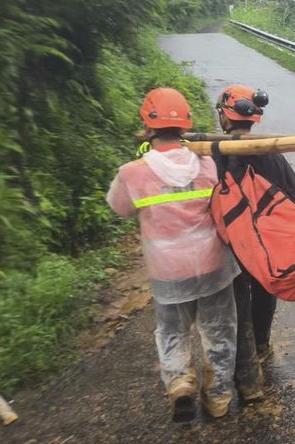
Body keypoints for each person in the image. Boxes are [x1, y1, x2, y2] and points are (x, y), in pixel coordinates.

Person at [107, 88, 239, 422]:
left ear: (147, 125)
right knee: (219, 330)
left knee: (172, 331)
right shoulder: (207, 164)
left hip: (167, 271)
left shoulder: (132, 172)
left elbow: (120, 209)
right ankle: (219, 397)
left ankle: (180, 381)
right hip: (212, 263)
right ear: (185, 125)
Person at [213, 84, 295, 400]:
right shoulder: (270, 152)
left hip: (235, 241)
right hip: (267, 241)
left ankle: (243, 364)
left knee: (237, 293)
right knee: (264, 287)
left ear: (224, 117)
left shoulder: (214, 153)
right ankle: (261, 344)